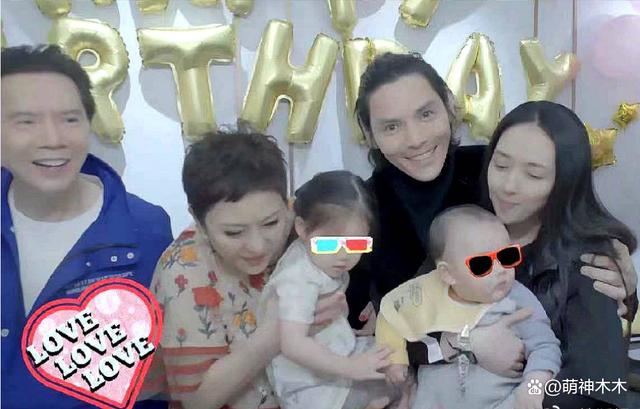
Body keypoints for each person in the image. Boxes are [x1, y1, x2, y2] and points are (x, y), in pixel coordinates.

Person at [346, 52, 638, 374]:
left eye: (426, 114)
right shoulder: (360, 211)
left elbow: (572, 231)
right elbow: (355, 309)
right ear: (369, 134)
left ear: (450, 106)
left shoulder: (496, 168)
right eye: (391, 126)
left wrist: (619, 272)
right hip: (429, 377)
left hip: (538, 367)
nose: (415, 139)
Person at [1, 45, 173, 408]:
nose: (53, 139)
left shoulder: (146, 229)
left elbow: (158, 377)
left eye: (70, 119)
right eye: (26, 122)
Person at [150, 131, 348, 409]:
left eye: (270, 223)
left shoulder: (304, 224)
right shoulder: (183, 269)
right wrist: (280, 331)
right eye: (234, 232)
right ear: (199, 220)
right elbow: (197, 401)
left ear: (286, 203)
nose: (256, 246)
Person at [468, 100, 637, 408]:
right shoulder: (465, 231)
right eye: (501, 165)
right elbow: (412, 321)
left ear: (564, 183)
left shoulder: (591, 265)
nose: (508, 186)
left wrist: (531, 393)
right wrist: (465, 343)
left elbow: (595, 387)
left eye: (533, 175)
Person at [377, 205, 561, 409]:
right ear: (447, 274)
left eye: (507, 256)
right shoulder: (427, 296)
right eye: (482, 264)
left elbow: (545, 346)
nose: (500, 270)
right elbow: (393, 320)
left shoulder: (517, 300)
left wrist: (533, 387)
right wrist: (397, 362)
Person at [259, 170, 401, 409]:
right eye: (329, 243)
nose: (344, 255)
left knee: (398, 360)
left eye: (356, 243)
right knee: (392, 382)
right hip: (307, 382)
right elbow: (292, 344)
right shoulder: (298, 279)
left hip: (335, 349)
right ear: (302, 228)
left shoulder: (317, 256)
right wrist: (351, 368)